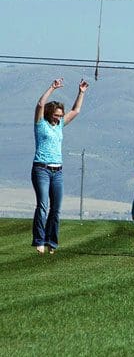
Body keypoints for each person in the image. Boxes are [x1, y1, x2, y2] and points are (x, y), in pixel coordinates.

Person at [31, 77, 89, 254]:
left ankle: (52, 242)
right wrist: (52, 88)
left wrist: (81, 92)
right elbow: (40, 104)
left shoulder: (60, 126)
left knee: (56, 209)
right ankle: (39, 240)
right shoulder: (41, 125)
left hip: (58, 171)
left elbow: (76, 111)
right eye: (56, 115)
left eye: (60, 115)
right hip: (41, 168)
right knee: (42, 205)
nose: (59, 117)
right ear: (50, 114)